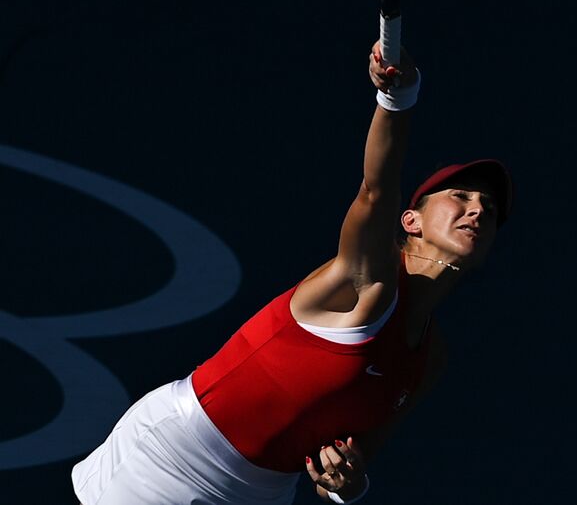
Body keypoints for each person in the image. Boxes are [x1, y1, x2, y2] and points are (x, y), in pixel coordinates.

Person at [71, 42, 513, 504]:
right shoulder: (369, 280)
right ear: (411, 221)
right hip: (174, 459)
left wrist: (349, 485)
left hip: (264, 493)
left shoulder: (430, 357)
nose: (477, 210)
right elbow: (375, 191)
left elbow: (352, 462)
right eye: (460, 197)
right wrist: (396, 100)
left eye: (490, 208)